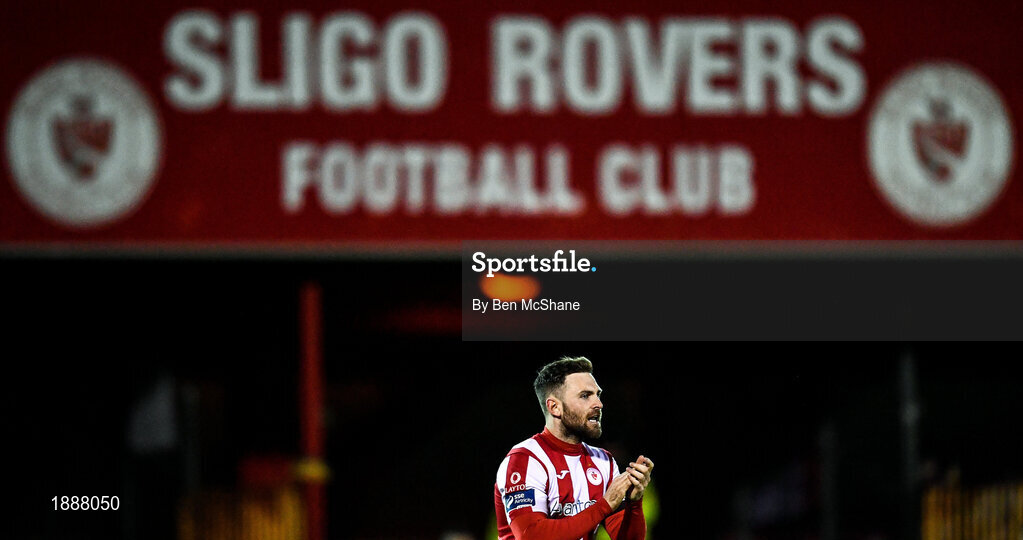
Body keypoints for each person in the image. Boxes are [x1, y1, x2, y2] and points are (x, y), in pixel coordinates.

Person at [494, 357, 653, 540]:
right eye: (585, 396)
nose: (598, 404)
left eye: (598, 395)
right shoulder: (525, 460)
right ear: (555, 407)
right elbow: (532, 535)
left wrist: (634, 503)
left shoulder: (603, 462)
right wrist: (604, 505)